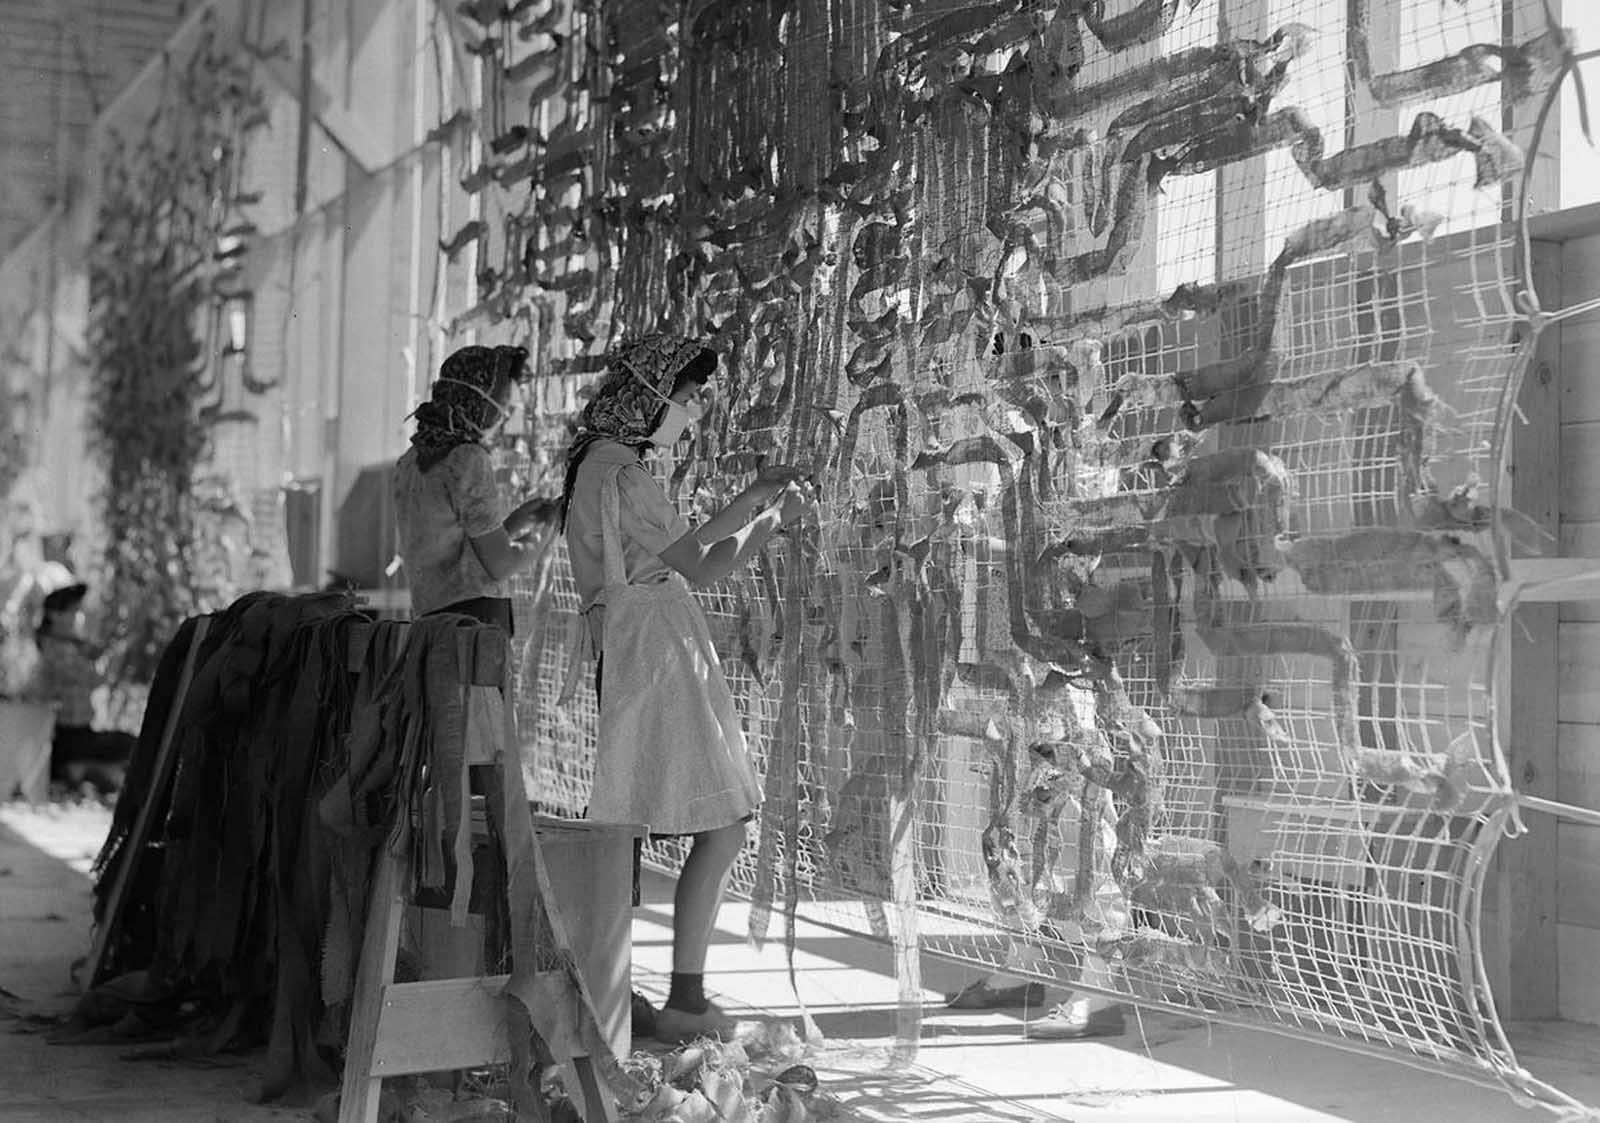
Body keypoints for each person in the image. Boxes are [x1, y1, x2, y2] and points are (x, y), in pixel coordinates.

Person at [559, 333, 816, 1044]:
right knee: (721, 822)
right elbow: (694, 561)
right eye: (691, 396)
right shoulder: (619, 472)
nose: (696, 411)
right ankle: (680, 997)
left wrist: (758, 511)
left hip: (648, 642)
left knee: (643, 825)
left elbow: (687, 559)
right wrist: (761, 509)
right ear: (652, 394)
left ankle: (618, 987)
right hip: (655, 649)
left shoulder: (601, 465)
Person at [393, 344, 554, 628]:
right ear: (477, 398)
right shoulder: (467, 459)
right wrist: (551, 527)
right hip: (472, 628)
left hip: (431, 622)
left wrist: (516, 522)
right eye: (501, 402)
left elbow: (457, 549)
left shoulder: (410, 461)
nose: (502, 415)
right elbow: (501, 564)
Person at [28, 582, 136, 793]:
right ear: (56, 615)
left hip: (78, 734)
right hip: (65, 737)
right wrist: (116, 652)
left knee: (127, 750)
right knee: (130, 747)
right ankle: (78, 768)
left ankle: (82, 770)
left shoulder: (66, 645)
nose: (80, 616)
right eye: (75, 611)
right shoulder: (57, 649)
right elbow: (95, 679)